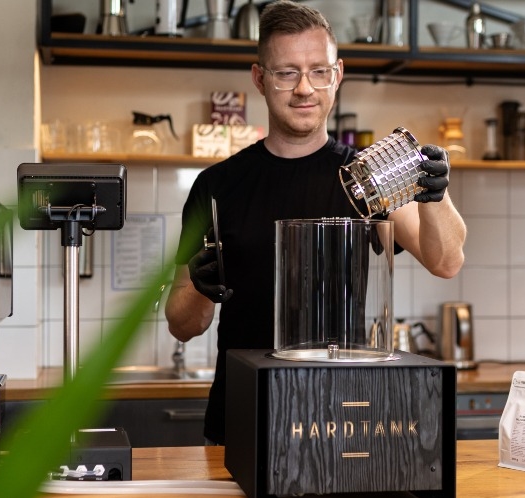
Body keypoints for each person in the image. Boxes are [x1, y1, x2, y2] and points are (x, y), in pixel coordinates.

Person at [164, 0, 467, 446]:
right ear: (260, 78)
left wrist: (435, 196)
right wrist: (198, 285)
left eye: (318, 71)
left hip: (341, 418)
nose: (305, 87)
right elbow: (182, 325)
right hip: (242, 418)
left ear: (338, 74)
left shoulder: (369, 176)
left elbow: (446, 262)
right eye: (287, 72)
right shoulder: (216, 186)